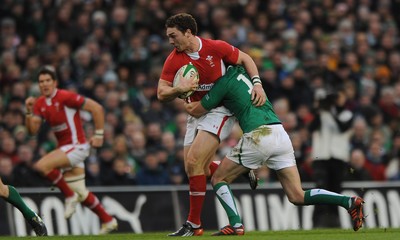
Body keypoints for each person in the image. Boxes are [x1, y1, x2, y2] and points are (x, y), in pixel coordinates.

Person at [184, 65, 365, 235]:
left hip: (259, 134)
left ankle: (235, 224)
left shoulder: (223, 82)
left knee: (219, 178)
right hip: (280, 133)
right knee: (297, 195)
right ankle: (348, 202)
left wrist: (182, 91)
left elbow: (196, 110)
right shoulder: (247, 75)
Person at [157, 13, 265, 236]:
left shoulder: (215, 47)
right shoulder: (173, 59)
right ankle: (241, 169)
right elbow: (161, 93)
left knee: (195, 161)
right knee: (194, 168)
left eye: (173, 35)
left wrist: (257, 84)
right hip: (195, 112)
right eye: (168, 36)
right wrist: (178, 89)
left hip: (219, 109)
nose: (170, 41)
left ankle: (194, 224)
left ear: (188, 32)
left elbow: (246, 59)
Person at [25, 67, 118, 234]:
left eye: (47, 80)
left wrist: (99, 134)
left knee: (41, 166)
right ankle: (108, 220)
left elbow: (97, 108)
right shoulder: (39, 103)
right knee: (80, 191)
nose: (44, 84)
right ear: (38, 85)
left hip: (77, 146)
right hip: (66, 149)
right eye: (41, 81)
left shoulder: (65, 96)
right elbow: (32, 131)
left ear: (55, 82)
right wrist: (28, 111)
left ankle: (68, 196)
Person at [309, 88, 355, 227]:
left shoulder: (347, 114)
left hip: (338, 158)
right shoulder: (321, 114)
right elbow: (311, 127)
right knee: (320, 189)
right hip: (321, 158)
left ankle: (334, 221)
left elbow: (342, 127)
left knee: (335, 190)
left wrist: (331, 111)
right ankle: (317, 222)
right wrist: (320, 109)